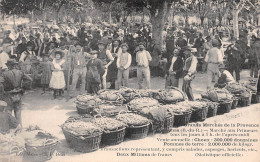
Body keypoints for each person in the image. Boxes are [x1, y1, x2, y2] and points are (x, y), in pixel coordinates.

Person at [2, 59, 32, 126]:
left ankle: (10, 127)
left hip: (8, 94)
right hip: (18, 94)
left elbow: (0, 84)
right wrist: (23, 89)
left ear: (8, 65)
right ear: (15, 65)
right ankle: (20, 127)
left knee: (8, 111)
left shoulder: (4, 74)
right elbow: (29, 80)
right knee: (18, 112)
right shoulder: (20, 72)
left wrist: (2, 92)